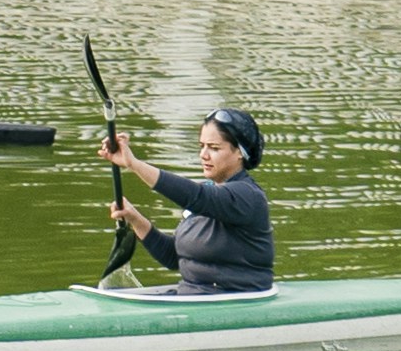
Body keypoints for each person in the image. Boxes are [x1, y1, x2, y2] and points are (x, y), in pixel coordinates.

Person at [103, 107, 274, 294]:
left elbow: (196, 196)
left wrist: (133, 164)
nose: (203, 155)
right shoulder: (207, 193)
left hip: (233, 301)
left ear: (240, 152)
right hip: (192, 297)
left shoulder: (247, 196)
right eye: (202, 146)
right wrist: (135, 219)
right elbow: (172, 257)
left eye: (214, 148)